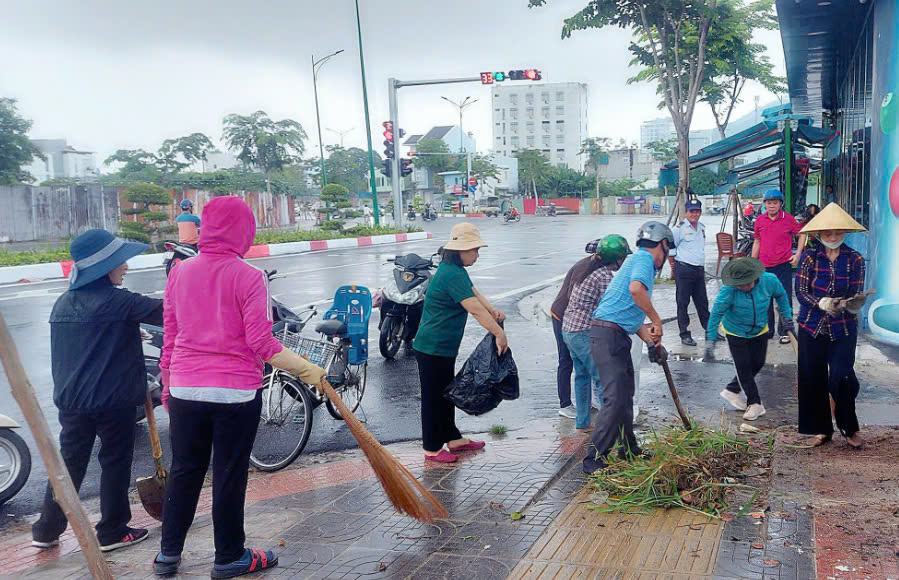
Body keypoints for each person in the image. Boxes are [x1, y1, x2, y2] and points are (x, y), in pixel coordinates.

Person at [155, 196, 327, 577]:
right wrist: (308, 369)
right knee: (228, 474)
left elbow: (171, 335)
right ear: (241, 231)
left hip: (185, 389)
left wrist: (168, 386)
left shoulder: (179, 273)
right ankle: (229, 556)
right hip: (234, 394)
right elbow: (262, 344)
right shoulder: (250, 277)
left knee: (185, 470)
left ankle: (167, 555)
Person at [32, 229, 163, 551]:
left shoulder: (63, 303)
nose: (126, 267)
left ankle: (46, 530)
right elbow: (170, 311)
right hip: (111, 402)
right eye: (121, 262)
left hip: (71, 401)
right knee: (114, 462)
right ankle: (112, 531)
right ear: (105, 267)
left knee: (69, 464)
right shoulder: (121, 302)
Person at [412, 223, 507, 463]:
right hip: (432, 347)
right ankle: (431, 448)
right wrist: (498, 334)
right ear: (460, 250)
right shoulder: (450, 274)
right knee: (433, 398)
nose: (477, 254)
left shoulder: (454, 269)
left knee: (446, 394)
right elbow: (474, 308)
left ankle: (452, 438)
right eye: (473, 249)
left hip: (443, 347)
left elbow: (475, 294)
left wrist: (492, 308)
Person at [583, 221, 672, 474]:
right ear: (663, 245)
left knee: (625, 397)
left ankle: (629, 448)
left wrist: (651, 343)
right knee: (614, 400)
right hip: (607, 336)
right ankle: (593, 460)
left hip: (615, 334)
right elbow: (635, 291)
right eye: (667, 251)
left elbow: (630, 316)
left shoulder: (637, 262)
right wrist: (656, 320)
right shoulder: (644, 260)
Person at [795, 203, 868, 448]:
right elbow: (801, 292)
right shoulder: (808, 256)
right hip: (811, 325)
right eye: (828, 234)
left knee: (842, 376)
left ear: (844, 233)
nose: (833, 237)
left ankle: (848, 427)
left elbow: (857, 291)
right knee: (812, 378)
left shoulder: (855, 259)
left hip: (844, 327)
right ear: (819, 234)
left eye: (838, 233)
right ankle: (821, 430)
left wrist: (851, 303)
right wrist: (822, 303)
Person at [704, 257, 794, 421]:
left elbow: (781, 296)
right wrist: (710, 339)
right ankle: (755, 403)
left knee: (758, 363)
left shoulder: (769, 281)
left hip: (760, 329)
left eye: (747, 282)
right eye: (740, 284)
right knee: (743, 366)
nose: (744, 287)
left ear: (755, 276)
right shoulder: (728, 290)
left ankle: (731, 390)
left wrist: (787, 317)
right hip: (735, 332)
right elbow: (716, 313)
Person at [561, 235, 632, 430]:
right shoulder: (603, 276)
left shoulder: (587, 269)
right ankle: (610, 429)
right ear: (615, 258)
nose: (623, 261)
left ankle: (582, 422)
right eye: (622, 257)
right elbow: (612, 306)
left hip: (569, 330)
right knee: (604, 378)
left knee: (582, 376)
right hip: (582, 332)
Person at [549, 239, 605, 419]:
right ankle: (564, 404)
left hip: (576, 320)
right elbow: (573, 298)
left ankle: (589, 404)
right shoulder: (585, 268)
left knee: (583, 364)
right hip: (562, 316)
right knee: (566, 360)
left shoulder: (599, 268)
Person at [751, 189, 804, 345]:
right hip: (764, 266)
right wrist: (753, 263)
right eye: (768, 203)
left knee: (783, 299)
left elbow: (802, 234)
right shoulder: (759, 220)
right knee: (764, 300)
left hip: (783, 266)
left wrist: (798, 253)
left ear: (780, 204)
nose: (772, 206)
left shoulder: (788, 219)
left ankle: (785, 332)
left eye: (775, 203)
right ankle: (768, 331)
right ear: (764, 204)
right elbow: (757, 242)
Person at [672, 198, 710, 346]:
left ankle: (710, 330)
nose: (694, 214)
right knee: (683, 303)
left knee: (702, 302)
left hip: (698, 270)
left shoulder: (701, 227)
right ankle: (684, 334)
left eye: (697, 211)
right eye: (691, 211)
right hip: (684, 269)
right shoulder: (678, 229)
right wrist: (674, 268)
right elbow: (670, 250)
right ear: (686, 212)